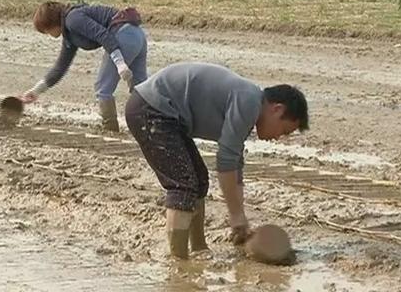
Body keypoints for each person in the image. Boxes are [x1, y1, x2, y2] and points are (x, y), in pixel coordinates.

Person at [125, 62, 309, 259]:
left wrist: (239, 217)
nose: (279, 137)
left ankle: (198, 248)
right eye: (284, 130)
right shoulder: (249, 101)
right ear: (277, 109)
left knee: (199, 179)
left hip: (165, 113)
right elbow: (226, 161)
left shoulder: (249, 102)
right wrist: (237, 215)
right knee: (183, 185)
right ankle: (178, 262)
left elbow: (235, 166)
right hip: (151, 108)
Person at [20, 2, 148, 132]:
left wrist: (119, 62)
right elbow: (60, 68)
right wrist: (36, 91)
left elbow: (102, 34)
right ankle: (149, 126)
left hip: (122, 36)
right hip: (137, 34)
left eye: (46, 30)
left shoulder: (73, 20)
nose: (48, 34)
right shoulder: (70, 34)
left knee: (102, 88)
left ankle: (110, 129)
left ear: (51, 23)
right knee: (140, 87)